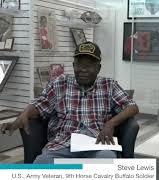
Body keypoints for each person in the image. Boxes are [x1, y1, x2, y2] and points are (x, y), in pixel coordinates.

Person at [0, 41, 139, 163]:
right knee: (41, 163)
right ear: (73, 65)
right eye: (79, 65)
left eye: (89, 65)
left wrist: (110, 123)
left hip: (97, 142)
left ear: (98, 68)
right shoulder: (60, 83)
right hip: (63, 142)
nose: (83, 69)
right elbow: (40, 104)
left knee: (107, 163)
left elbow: (132, 107)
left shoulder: (109, 85)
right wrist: (24, 114)